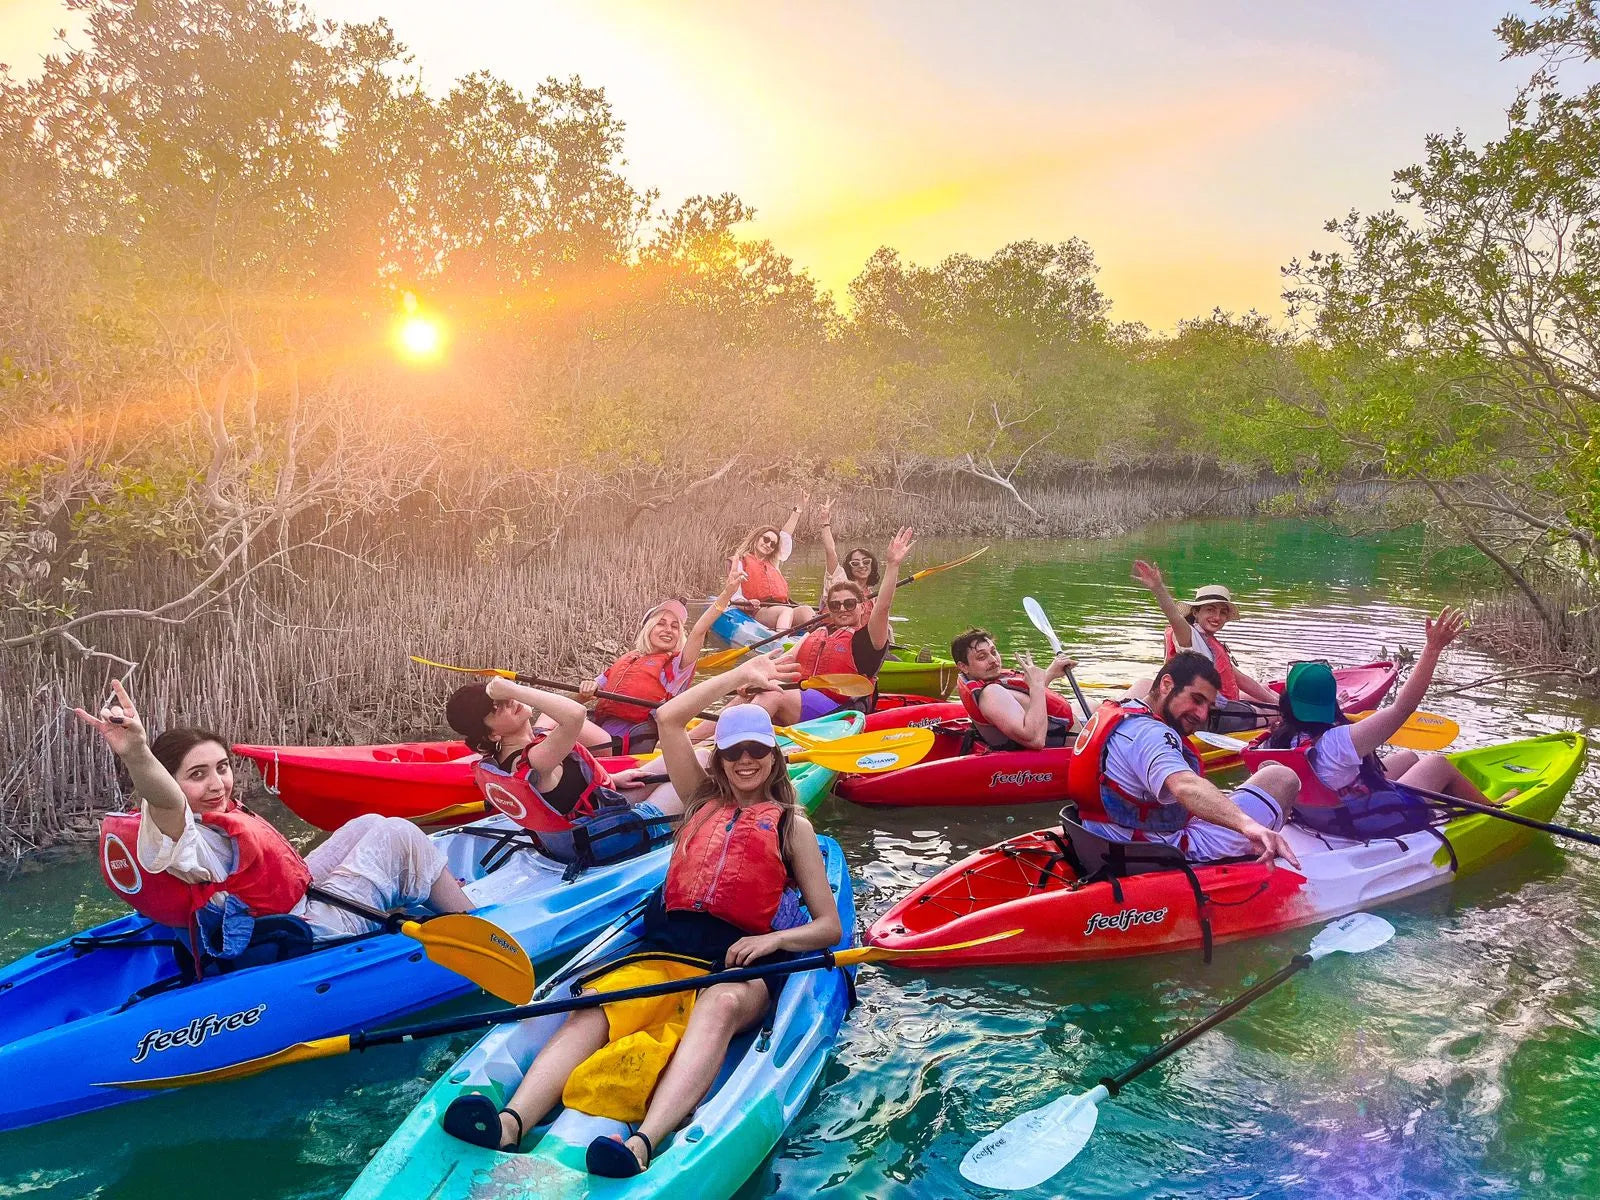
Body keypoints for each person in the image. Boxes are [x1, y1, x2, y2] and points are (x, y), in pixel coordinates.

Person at [439, 655, 843, 1178]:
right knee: (596, 1004)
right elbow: (671, 718)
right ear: (718, 759)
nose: (746, 761)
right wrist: (741, 677)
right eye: (734, 751)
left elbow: (828, 928)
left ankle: (643, 1143)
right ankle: (512, 1121)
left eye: (757, 751)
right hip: (666, 949)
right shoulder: (699, 802)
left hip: (735, 967)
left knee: (717, 1006)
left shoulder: (793, 826)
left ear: (774, 758)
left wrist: (772, 944)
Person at [78, 680, 473, 964]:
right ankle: (473, 922)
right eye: (197, 775)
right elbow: (164, 800)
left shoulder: (208, 817)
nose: (217, 784)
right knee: (400, 834)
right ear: (171, 780)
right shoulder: (180, 832)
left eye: (222, 768)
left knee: (371, 823)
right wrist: (137, 754)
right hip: (301, 932)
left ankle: (429, 893)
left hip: (285, 905)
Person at [1262, 607, 1506, 837]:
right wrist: (1432, 649)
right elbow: (1403, 708)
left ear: (1287, 702)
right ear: (1330, 706)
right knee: (1437, 764)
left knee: (1408, 757)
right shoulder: (1340, 742)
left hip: (1320, 816)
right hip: (1361, 821)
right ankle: (1494, 809)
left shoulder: (1274, 741)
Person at [1064, 652, 1302, 865]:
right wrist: (1248, 825)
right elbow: (1184, 785)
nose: (1202, 714)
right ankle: (1261, 862)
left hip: (1101, 837)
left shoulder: (1121, 712)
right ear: (1167, 685)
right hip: (1154, 850)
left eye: (1208, 705)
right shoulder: (1152, 734)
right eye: (1196, 699)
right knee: (1279, 776)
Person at [446, 676, 684, 867]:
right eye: (496, 709)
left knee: (686, 759)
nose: (507, 702)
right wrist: (514, 689)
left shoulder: (512, 755)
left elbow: (561, 795)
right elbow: (574, 715)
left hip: (588, 825)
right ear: (492, 735)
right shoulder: (534, 758)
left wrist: (612, 779)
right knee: (695, 774)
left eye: (501, 698)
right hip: (605, 840)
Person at [746, 527, 914, 725]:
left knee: (772, 692)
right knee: (751, 692)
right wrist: (754, 679)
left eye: (849, 604)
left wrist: (893, 564)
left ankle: (735, 740)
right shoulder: (818, 632)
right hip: (804, 700)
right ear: (829, 609)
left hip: (842, 712)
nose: (842, 609)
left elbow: (883, 607)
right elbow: (784, 660)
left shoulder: (866, 640)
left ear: (861, 607)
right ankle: (702, 739)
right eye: (835, 605)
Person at [579, 564, 743, 753]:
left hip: (623, 745)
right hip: (598, 733)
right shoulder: (627, 659)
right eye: (661, 624)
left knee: (568, 717)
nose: (668, 630)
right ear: (648, 629)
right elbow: (580, 698)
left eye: (675, 626)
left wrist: (727, 594)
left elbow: (699, 631)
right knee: (566, 711)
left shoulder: (676, 666)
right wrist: (584, 690)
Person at [1130, 559, 1279, 731]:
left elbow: (1240, 679)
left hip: (1222, 702)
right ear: (1196, 612)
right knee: (1279, 714)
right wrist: (1158, 588)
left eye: (1222, 612)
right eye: (1210, 610)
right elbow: (1175, 617)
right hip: (1211, 715)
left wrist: (1273, 699)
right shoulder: (1190, 638)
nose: (1217, 617)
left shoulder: (1210, 642)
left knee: (1267, 691)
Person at [949, 628, 1078, 750]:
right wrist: (1037, 685)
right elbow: (1036, 740)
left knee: (1089, 704)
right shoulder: (990, 694)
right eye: (982, 657)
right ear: (963, 666)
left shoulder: (989, 683)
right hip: (1070, 743)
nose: (993, 660)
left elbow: (1025, 701)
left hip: (1069, 728)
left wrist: (1049, 674)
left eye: (993, 652)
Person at [729, 496, 815, 632]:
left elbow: (785, 535)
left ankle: (815, 641)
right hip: (758, 610)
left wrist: (798, 509)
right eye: (766, 539)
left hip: (782, 608)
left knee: (807, 611)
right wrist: (746, 604)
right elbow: (734, 594)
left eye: (773, 544)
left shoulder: (773, 563)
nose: (768, 544)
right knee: (786, 612)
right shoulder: (740, 561)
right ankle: (782, 641)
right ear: (757, 538)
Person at [816, 498, 881, 619]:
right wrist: (825, 522)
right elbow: (830, 551)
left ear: (872, 565)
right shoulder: (839, 580)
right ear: (849, 567)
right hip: (832, 631)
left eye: (866, 562)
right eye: (855, 563)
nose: (862, 565)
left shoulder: (873, 595)